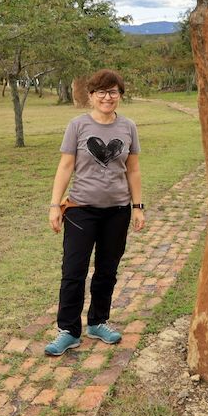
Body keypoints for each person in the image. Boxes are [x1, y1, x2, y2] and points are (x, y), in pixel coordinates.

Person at [45, 69, 145, 356]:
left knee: (107, 271)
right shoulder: (77, 126)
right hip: (80, 210)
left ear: (120, 95)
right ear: (90, 96)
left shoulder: (128, 127)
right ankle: (68, 330)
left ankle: (98, 321)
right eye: (101, 92)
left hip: (117, 211)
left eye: (113, 91)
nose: (107, 97)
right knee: (73, 271)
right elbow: (65, 167)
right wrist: (54, 205)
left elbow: (133, 169)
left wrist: (137, 207)